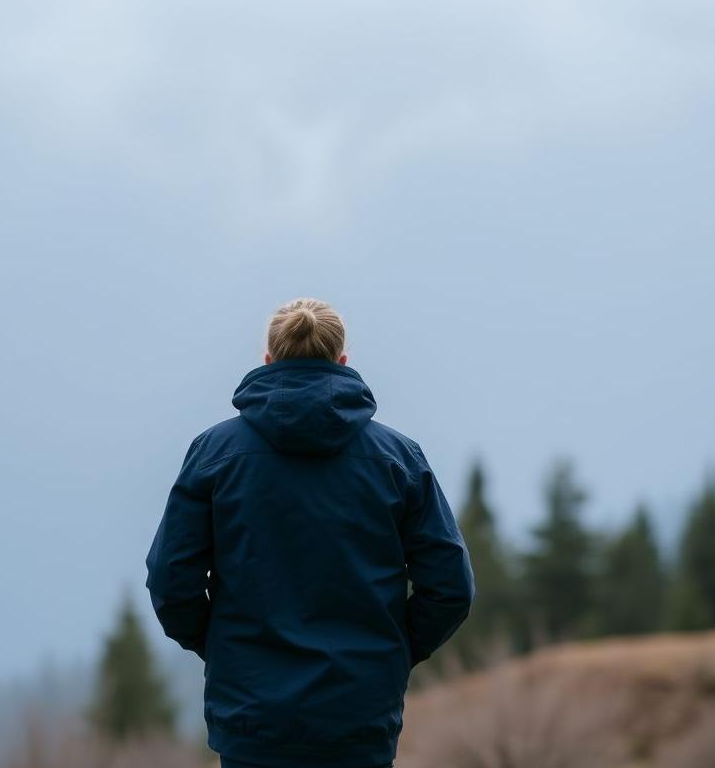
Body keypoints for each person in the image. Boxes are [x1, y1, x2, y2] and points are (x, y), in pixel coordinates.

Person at [145, 297, 475, 768]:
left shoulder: (215, 453)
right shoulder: (398, 460)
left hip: (251, 718)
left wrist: (221, 647)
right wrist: (391, 653)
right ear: (342, 362)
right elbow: (450, 588)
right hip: (359, 716)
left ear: (267, 361)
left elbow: (170, 580)